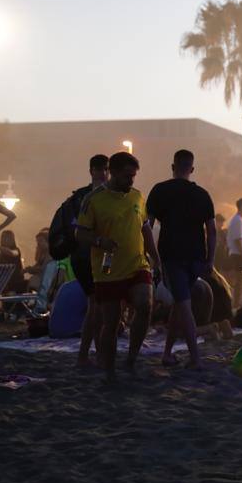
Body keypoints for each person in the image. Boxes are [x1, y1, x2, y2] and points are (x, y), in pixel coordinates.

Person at [76, 151, 161, 383]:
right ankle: (108, 369)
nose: (131, 181)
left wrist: (156, 257)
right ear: (112, 172)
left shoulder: (137, 197)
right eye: (126, 176)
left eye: (133, 176)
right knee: (111, 323)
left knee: (145, 304)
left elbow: (145, 229)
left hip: (137, 265)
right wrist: (99, 241)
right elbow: (80, 233)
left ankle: (132, 359)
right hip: (108, 271)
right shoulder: (93, 200)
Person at [146, 149, 217, 369]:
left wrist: (151, 255)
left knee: (183, 305)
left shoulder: (160, 191)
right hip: (195, 255)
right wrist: (210, 260)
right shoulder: (202, 194)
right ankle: (167, 353)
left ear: (173, 166)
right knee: (180, 303)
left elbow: (146, 225)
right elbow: (212, 230)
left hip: (171, 255)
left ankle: (195, 357)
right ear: (192, 169)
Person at [72, 154, 110, 368]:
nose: (103, 173)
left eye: (105, 169)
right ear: (92, 171)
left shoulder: (81, 196)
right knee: (96, 305)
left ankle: (95, 352)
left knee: (97, 305)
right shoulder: (92, 197)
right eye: (100, 169)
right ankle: (85, 355)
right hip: (89, 256)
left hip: (85, 256)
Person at [224, 198, 242, 306]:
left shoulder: (240, 220)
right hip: (239, 255)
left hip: (240, 255)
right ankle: (236, 304)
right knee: (239, 281)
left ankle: (238, 302)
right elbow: (238, 239)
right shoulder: (237, 221)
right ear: (241, 206)